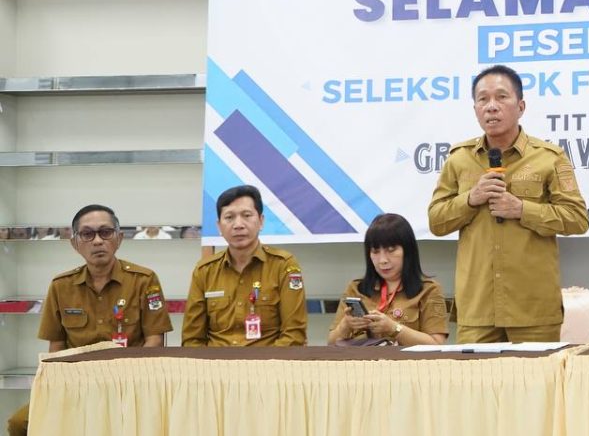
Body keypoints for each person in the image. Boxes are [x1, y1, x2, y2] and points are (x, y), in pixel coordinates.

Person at [428, 65, 588, 343]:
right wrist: (470, 199)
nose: (491, 106)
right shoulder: (459, 159)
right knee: (473, 374)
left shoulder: (549, 158)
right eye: (483, 99)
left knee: (536, 374)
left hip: (533, 310)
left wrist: (522, 209)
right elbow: (437, 222)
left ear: (521, 106)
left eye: (501, 97)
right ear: (475, 109)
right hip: (477, 310)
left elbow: (577, 218)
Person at [8, 205, 172, 436]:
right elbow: (56, 348)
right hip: (76, 385)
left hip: (129, 385)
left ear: (119, 238)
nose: (97, 241)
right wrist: (60, 387)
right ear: (75, 243)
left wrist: (128, 381)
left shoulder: (143, 280)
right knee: (19, 423)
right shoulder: (61, 286)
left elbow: (155, 341)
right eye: (87, 234)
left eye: (105, 232)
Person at [182, 185, 307, 346]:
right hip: (216, 360)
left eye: (247, 215)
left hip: (268, 360)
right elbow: (192, 339)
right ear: (219, 226)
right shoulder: (205, 271)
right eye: (229, 217)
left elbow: (294, 335)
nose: (238, 225)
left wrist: (261, 362)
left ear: (261, 221)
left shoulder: (283, 265)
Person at [328, 213, 448, 346]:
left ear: (407, 251)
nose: (382, 260)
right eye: (375, 252)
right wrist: (345, 326)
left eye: (391, 250)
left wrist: (394, 328)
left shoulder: (429, 290)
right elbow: (331, 344)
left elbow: (436, 344)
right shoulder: (356, 288)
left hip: (405, 359)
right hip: (362, 359)